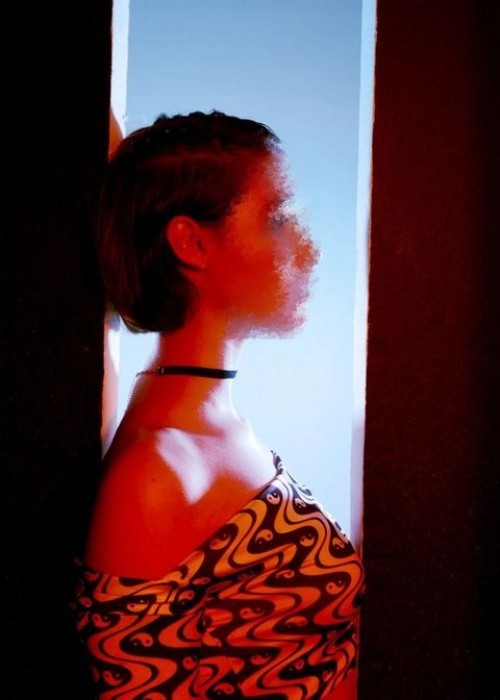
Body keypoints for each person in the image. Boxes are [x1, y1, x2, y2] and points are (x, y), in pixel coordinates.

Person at [72, 109, 365, 699]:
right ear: (191, 241)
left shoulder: (211, 425)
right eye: (277, 219)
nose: (308, 250)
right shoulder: (154, 477)